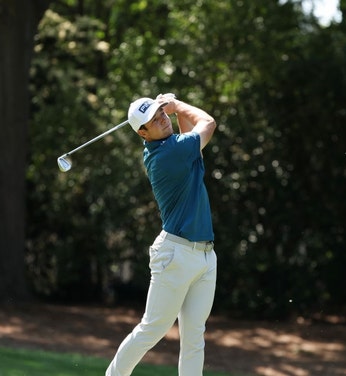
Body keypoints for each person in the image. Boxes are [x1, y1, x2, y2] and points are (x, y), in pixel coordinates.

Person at [106, 93, 218, 376]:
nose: (162, 120)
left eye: (162, 114)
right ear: (142, 133)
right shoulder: (167, 154)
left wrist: (173, 109)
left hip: (204, 255)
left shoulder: (174, 147)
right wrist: (177, 104)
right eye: (154, 121)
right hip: (176, 254)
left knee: (194, 337)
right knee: (152, 329)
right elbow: (208, 123)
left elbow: (188, 135)